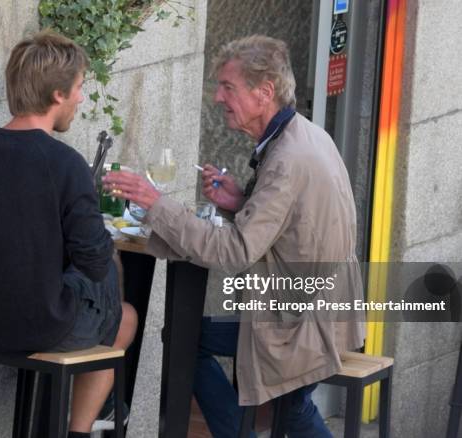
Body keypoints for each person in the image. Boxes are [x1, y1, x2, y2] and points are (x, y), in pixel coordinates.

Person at [102, 35, 365, 437]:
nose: (218, 98)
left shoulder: (287, 159)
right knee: (191, 341)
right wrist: (240, 200)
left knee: (196, 346)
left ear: (264, 92)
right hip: (321, 308)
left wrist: (156, 203)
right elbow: (288, 225)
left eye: (228, 87)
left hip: (302, 321)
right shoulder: (304, 135)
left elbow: (235, 251)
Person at [0, 30, 137, 437]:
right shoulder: (66, 165)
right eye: (80, 89)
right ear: (57, 95)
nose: (81, 99)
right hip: (49, 326)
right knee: (125, 311)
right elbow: (93, 260)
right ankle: (80, 430)